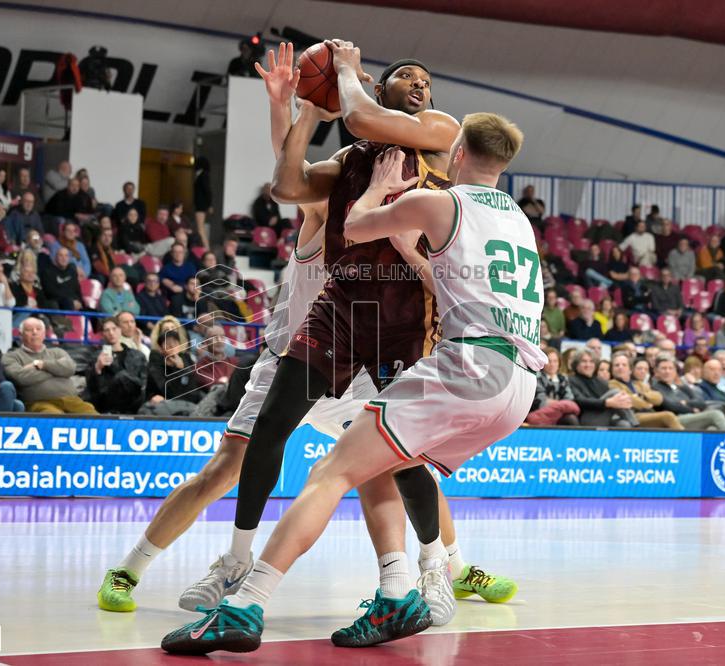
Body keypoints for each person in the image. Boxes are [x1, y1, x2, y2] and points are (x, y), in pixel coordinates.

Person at [162, 105, 543, 654]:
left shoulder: (441, 199)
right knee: (389, 462)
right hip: (519, 382)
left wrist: (380, 187)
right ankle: (403, 590)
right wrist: (416, 255)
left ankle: (245, 606)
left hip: (467, 365)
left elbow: (356, 225)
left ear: (456, 154)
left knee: (331, 469)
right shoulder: (518, 220)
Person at [3, 317, 97, 413]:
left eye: (38, 329)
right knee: (54, 418)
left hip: (71, 400)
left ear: (44, 334)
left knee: (95, 419)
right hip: (39, 403)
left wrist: (42, 365)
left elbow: (70, 368)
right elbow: (20, 377)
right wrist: (57, 370)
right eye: (29, 330)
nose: (34, 332)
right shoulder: (11, 357)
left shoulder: (57, 352)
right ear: (20, 335)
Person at [85, 317, 147, 414]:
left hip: (133, 401)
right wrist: (97, 368)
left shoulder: (137, 355)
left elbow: (144, 382)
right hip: (107, 402)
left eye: (114, 329)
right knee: (121, 377)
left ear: (120, 330)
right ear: (103, 334)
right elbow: (92, 388)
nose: (111, 333)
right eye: (107, 330)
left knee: (123, 377)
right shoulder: (96, 356)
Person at [608, 352, 682, 429]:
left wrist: (641, 396)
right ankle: (688, 441)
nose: (620, 367)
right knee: (668, 416)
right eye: (616, 365)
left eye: (624, 365)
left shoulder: (638, 383)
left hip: (647, 414)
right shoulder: (612, 384)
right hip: (632, 416)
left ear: (630, 369)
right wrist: (647, 403)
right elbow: (630, 400)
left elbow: (659, 398)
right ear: (612, 369)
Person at [526, 348, 580, 426]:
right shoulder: (537, 378)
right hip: (541, 414)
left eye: (555, 361)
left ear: (559, 363)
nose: (552, 364)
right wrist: (562, 405)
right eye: (549, 361)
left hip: (560, 414)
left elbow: (569, 399)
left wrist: (556, 404)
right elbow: (541, 402)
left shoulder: (563, 378)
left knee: (571, 418)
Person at [40, 246, 82, 311]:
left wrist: (79, 301)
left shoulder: (72, 272)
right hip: (58, 303)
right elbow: (50, 292)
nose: (64, 258)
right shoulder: (48, 272)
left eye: (66, 256)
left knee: (92, 312)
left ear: (69, 258)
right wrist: (72, 301)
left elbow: (77, 290)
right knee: (68, 302)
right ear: (55, 257)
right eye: (61, 255)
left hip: (73, 302)